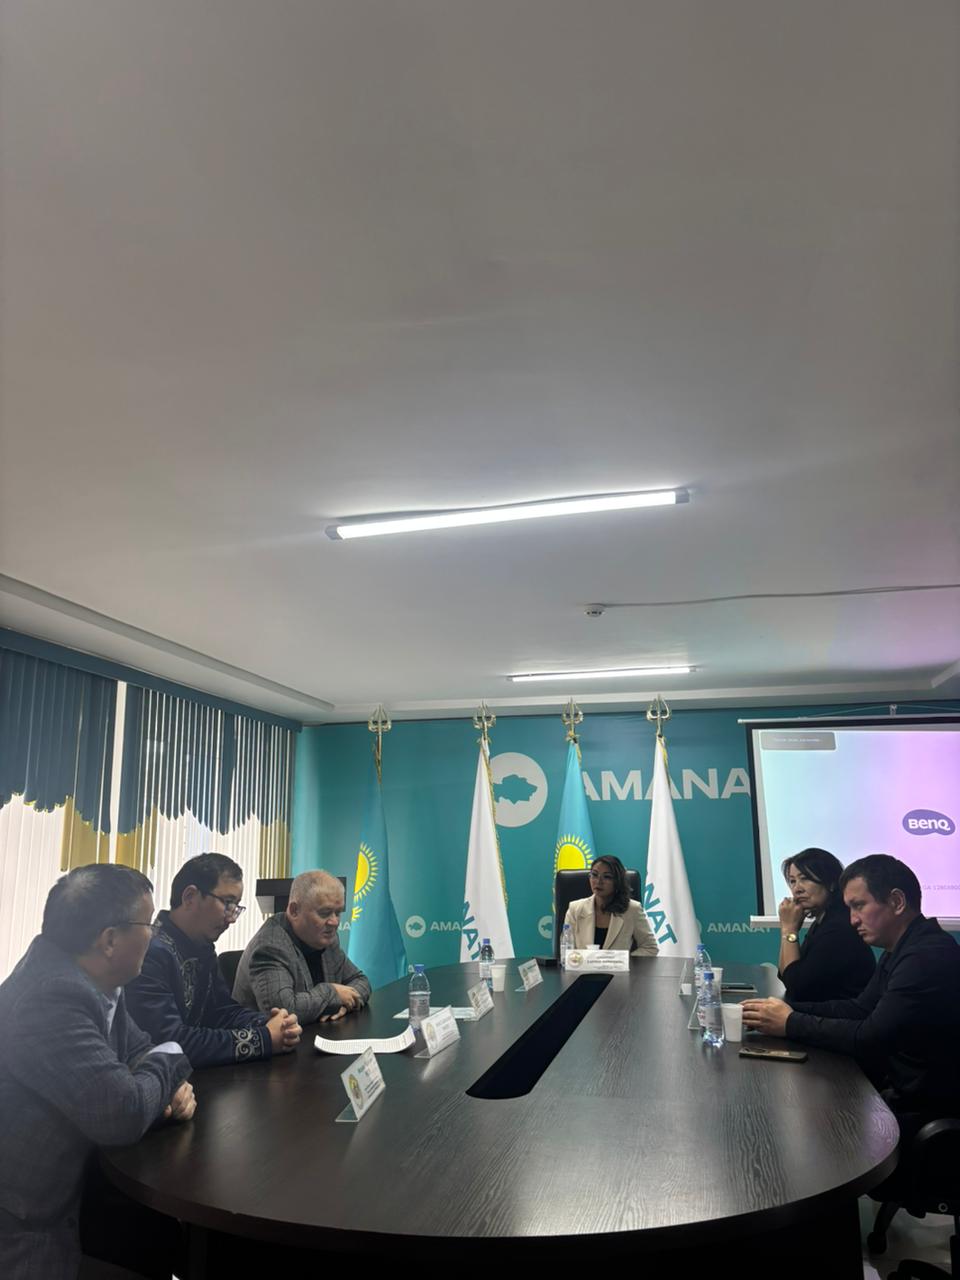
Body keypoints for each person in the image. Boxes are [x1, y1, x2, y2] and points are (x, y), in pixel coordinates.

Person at [0, 864, 195, 1280]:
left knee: (160, 1242)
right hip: (25, 1226)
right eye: (150, 924)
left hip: (81, 1193)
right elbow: (121, 1111)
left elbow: (139, 1050)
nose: (155, 934)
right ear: (109, 940)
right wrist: (171, 1056)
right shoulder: (51, 996)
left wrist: (152, 1082)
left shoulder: (96, 978)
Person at [742, 854, 960, 1120]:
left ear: (897, 902)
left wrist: (789, 1022)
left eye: (859, 906)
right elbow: (859, 1008)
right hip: (897, 1091)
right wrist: (784, 1011)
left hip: (921, 1109)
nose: (853, 920)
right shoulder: (901, 948)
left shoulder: (926, 956)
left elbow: (869, 1037)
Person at [126, 853, 301, 1067]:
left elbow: (221, 1011)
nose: (231, 918)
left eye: (236, 907)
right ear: (190, 896)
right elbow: (170, 1042)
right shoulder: (149, 953)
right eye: (227, 903)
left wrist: (273, 1025)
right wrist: (263, 1039)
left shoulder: (202, 947)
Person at [233, 870, 371, 1024]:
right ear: (294, 911)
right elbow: (284, 1012)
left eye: (338, 913)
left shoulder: (327, 939)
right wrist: (333, 994)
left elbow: (361, 980)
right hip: (264, 1038)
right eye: (325, 913)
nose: (334, 922)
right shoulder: (270, 946)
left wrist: (345, 1003)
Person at [776, 847, 875, 1002]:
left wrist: (790, 929)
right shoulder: (823, 921)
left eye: (805, 879)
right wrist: (786, 930)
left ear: (831, 883)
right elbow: (784, 975)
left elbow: (795, 986)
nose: (797, 889)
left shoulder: (839, 927)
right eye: (793, 881)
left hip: (842, 1016)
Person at [564, 856, 659, 955]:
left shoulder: (632, 909)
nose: (599, 881)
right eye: (594, 875)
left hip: (619, 966)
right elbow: (567, 950)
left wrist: (623, 960)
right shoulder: (575, 909)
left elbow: (650, 947)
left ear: (618, 881)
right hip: (583, 965)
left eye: (607, 877)